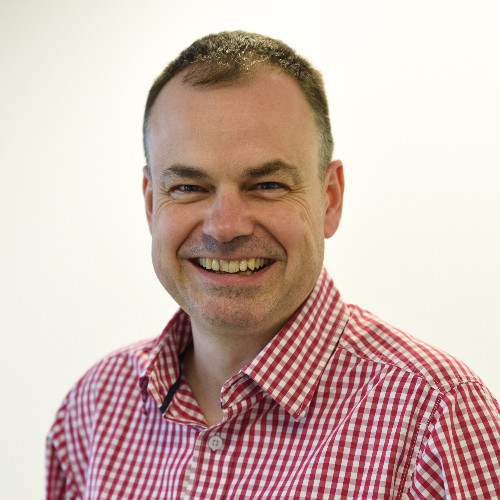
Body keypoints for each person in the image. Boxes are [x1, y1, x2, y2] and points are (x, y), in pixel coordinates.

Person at [46, 31, 500, 499]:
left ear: (330, 198)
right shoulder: (93, 410)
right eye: (187, 188)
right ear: (150, 203)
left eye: (266, 185)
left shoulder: (437, 421)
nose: (225, 227)